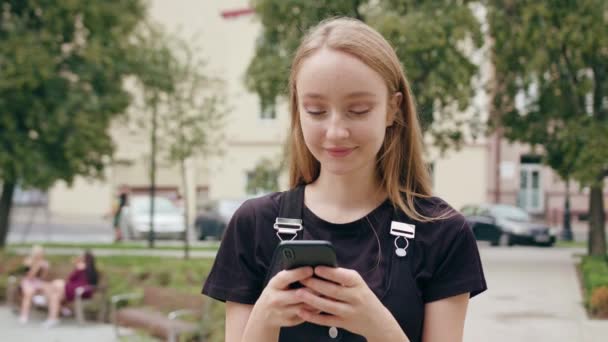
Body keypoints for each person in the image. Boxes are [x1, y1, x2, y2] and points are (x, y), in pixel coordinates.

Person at [202, 17, 487, 342]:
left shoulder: (443, 233)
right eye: (316, 111)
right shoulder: (253, 226)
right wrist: (265, 317)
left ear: (393, 108)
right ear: (297, 109)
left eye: (359, 110)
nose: (336, 132)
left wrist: (378, 326)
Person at [40, 251, 99, 328]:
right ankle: (56, 314)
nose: (79, 257)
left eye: (81, 256)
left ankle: (48, 303)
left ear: (84, 258)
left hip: (76, 290)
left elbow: (71, 278)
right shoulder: (92, 269)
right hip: (83, 291)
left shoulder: (81, 266)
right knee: (55, 296)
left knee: (55, 284)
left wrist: (76, 266)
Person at [18, 245, 50, 324]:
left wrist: (45, 269)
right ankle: (24, 315)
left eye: (41, 253)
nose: (40, 255)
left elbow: (43, 278)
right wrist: (36, 266)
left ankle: (59, 310)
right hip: (27, 281)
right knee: (29, 293)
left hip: (38, 281)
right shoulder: (28, 261)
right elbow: (29, 276)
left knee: (50, 290)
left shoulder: (45, 263)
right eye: (38, 253)